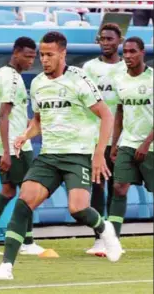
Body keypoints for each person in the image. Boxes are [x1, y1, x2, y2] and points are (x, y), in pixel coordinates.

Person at [0, 31, 123, 281]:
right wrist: (26, 135)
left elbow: (107, 116)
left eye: (50, 55)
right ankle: (6, 267)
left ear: (63, 54)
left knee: (78, 209)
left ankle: (104, 228)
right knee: (24, 201)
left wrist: (98, 154)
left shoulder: (79, 79)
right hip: (49, 156)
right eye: (42, 55)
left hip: (77, 155)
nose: (44, 60)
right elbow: (38, 121)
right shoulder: (37, 83)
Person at [0, 37, 45, 256]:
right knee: (30, 192)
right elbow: (3, 115)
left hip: (11, 144)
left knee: (7, 191)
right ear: (15, 53)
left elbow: (13, 116)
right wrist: (6, 152)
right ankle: (27, 241)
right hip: (15, 148)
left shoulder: (6, 75)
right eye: (27, 56)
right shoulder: (11, 79)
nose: (31, 60)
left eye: (34, 56)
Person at [82, 23, 127, 256]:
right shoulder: (89, 68)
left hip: (122, 140)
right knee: (97, 188)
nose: (105, 42)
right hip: (96, 139)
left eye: (110, 38)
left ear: (120, 40)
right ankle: (100, 238)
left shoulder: (126, 69)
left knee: (118, 188)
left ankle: (114, 237)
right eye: (102, 38)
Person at [108, 37, 153, 239]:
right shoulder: (119, 80)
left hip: (150, 145)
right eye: (125, 52)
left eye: (132, 51)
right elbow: (119, 112)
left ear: (142, 52)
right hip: (127, 142)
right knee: (119, 187)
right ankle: (112, 240)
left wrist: (146, 143)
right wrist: (115, 142)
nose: (127, 56)